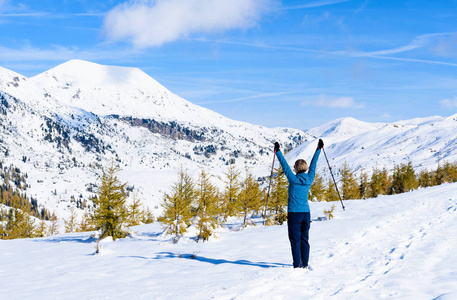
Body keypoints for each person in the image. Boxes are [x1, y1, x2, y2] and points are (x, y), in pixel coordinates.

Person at [274, 139, 323, 268]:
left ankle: (297, 264)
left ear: (295, 169)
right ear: (305, 168)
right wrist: (318, 149)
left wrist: (278, 151)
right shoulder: (309, 178)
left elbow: (284, 165)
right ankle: (305, 264)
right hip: (306, 213)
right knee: (304, 239)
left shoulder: (293, 179)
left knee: (295, 240)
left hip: (294, 214)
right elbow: (314, 164)